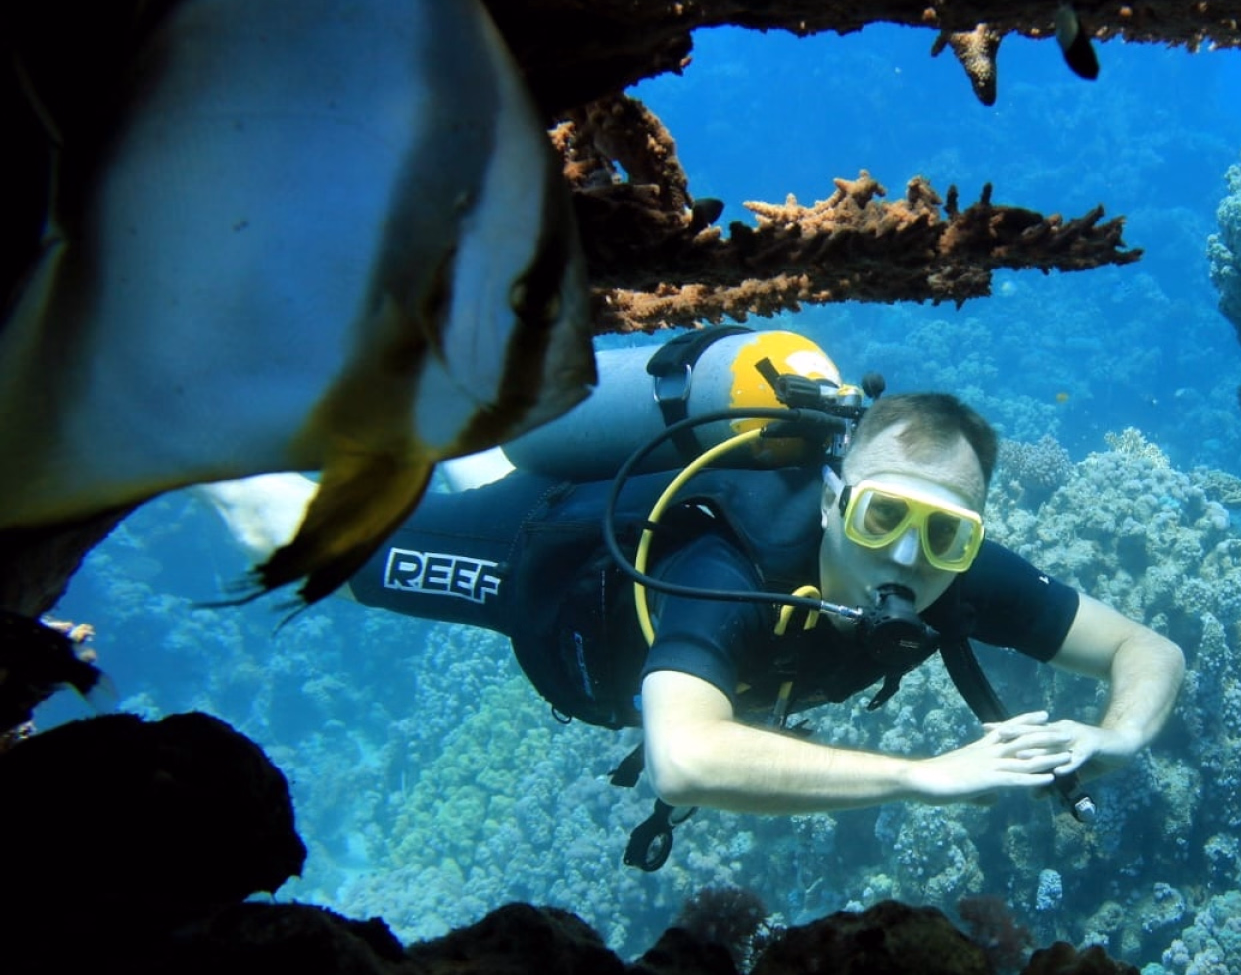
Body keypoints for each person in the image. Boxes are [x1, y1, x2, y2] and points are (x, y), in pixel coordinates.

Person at [205, 341, 1186, 821]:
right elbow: (684, 757)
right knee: (306, 542)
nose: (905, 557)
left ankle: (457, 438)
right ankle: (197, 419)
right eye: (882, 516)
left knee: (455, 469)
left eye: (946, 533)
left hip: (590, 570)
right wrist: (922, 775)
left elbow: (1148, 650)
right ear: (835, 497)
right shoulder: (735, 557)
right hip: (544, 569)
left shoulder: (951, 572)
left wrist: (1120, 734)